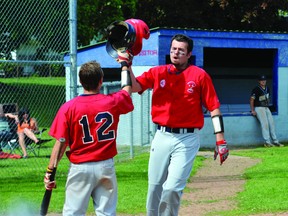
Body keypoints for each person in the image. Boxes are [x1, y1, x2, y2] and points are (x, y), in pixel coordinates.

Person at [117, 34, 229, 216]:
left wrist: (221, 141)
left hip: (187, 138)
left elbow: (214, 108)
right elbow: (136, 86)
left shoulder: (199, 76)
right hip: (162, 136)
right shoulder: (157, 72)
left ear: (189, 54)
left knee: (171, 188)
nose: (176, 53)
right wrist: (127, 66)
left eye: (181, 50)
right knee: (154, 187)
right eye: (173, 49)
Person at [43, 60, 134, 215]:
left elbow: (61, 143)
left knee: (73, 212)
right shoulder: (112, 102)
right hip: (105, 166)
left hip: (80, 168)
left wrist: (50, 171)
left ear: (80, 82)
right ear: (101, 81)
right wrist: (125, 66)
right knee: (106, 212)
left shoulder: (69, 107)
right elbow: (127, 89)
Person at [250, 75, 284, 147]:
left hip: (266, 107)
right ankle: (267, 142)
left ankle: (275, 141)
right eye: (262, 80)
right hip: (259, 107)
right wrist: (252, 110)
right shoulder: (256, 89)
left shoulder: (267, 88)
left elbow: (268, 98)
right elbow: (251, 99)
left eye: (264, 80)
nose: (263, 81)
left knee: (271, 123)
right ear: (259, 81)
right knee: (264, 124)